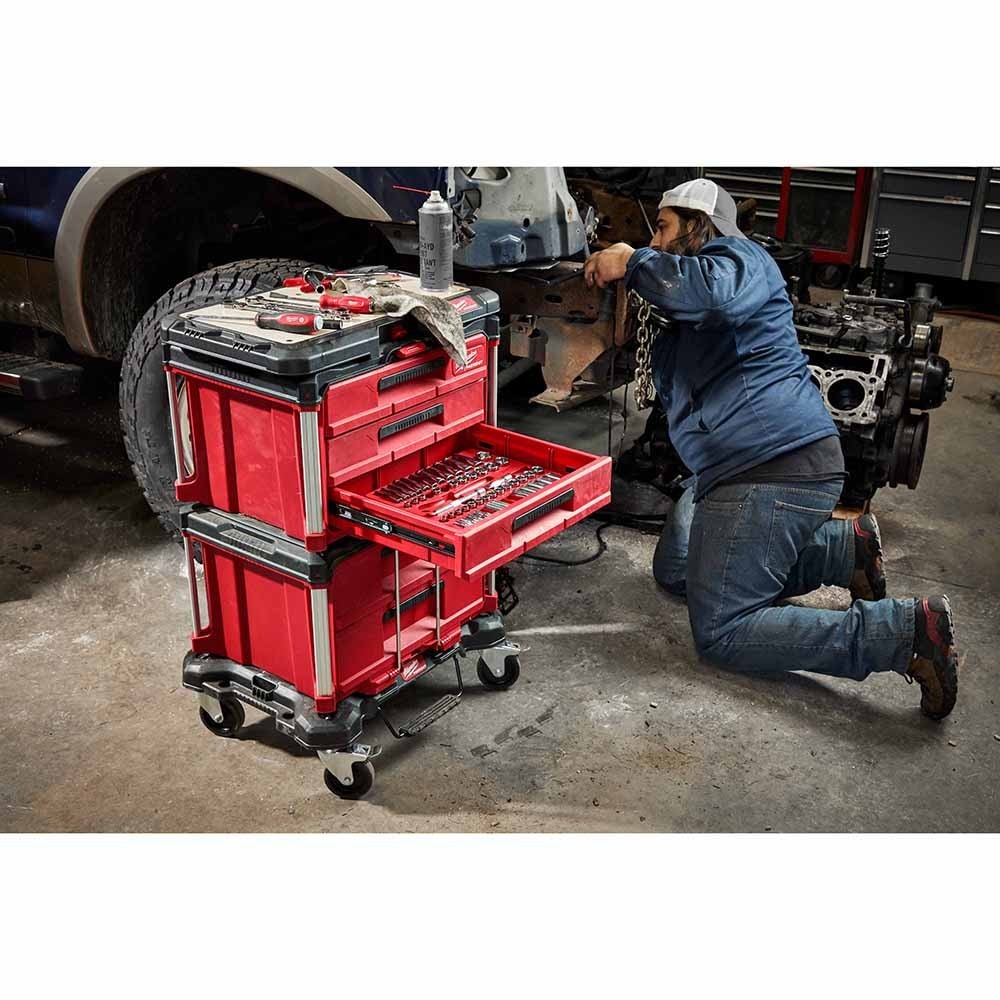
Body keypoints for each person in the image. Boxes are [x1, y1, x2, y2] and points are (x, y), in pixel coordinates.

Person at [584, 179, 958, 720]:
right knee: (677, 568)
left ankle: (904, 633)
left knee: (724, 630)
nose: (656, 241)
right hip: (739, 469)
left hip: (770, 466)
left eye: (663, 228)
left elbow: (710, 294)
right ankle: (842, 551)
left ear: (698, 224)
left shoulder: (741, 259)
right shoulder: (691, 299)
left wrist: (633, 261)